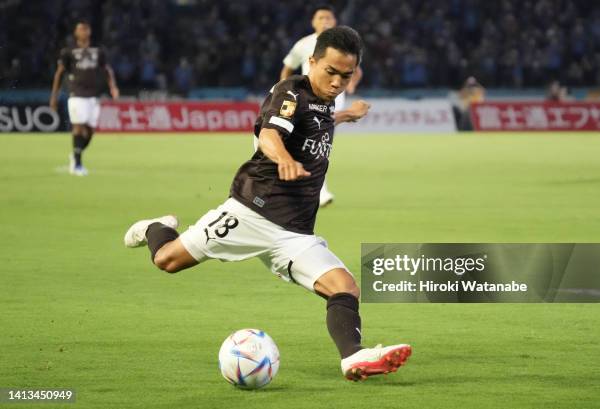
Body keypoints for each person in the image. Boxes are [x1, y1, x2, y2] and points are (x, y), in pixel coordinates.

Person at [124, 26, 410, 381]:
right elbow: (269, 133)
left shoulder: (325, 102)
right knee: (167, 260)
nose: (337, 82)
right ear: (312, 62)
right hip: (250, 211)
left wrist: (344, 115)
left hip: (295, 232)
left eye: (346, 75)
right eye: (330, 72)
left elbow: (317, 119)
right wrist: (282, 159)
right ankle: (155, 227)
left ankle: (353, 357)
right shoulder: (291, 91)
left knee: (345, 287)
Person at [279, 4, 364, 207]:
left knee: (319, 142)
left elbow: (356, 70)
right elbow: (287, 69)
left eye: (328, 18)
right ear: (313, 22)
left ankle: (318, 190)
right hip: (306, 97)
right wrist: (283, 89)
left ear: (334, 22)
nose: (325, 21)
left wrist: (351, 83)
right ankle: (313, 188)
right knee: (314, 142)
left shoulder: (344, 47)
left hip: (333, 97)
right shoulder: (303, 44)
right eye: (321, 18)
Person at [49, 21, 119, 176]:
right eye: (80, 29)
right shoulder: (68, 52)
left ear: (90, 31)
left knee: (91, 131)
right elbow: (59, 73)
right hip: (76, 94)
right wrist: (54, 96)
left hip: (93, 96)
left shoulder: (98, 51)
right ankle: (77, 165)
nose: (83, 31)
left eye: (85, 29)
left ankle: (75, 154)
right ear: (75, 33)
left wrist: (113, 87)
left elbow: (107, 70)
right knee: (78, 127)